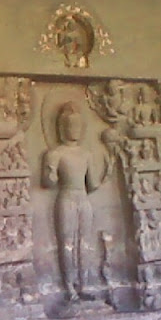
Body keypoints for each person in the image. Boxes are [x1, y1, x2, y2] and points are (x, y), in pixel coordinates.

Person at [42, 102, 109, 301]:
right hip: (66, 198)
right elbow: (48, 183)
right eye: (70, 126)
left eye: (78, 126)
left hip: (83, 198)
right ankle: (69, 286)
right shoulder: (56, 153)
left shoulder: (86, 154)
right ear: (62, 128)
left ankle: (84, 284)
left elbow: (93, 184)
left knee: (84, 243)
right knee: (67, 243)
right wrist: (51, 171)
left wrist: (109, 169)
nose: (74, 130)